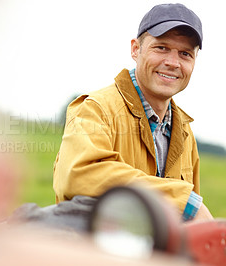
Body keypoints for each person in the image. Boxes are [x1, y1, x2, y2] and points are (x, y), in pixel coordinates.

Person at [53, 3, 213, 221]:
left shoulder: (185, 133)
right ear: (135, 49)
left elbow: (189, 221)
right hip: (94, 253)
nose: (173, 63)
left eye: (185, 54)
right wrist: (181, 199)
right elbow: (77, 175)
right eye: (162, 48)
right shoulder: (95, 108)